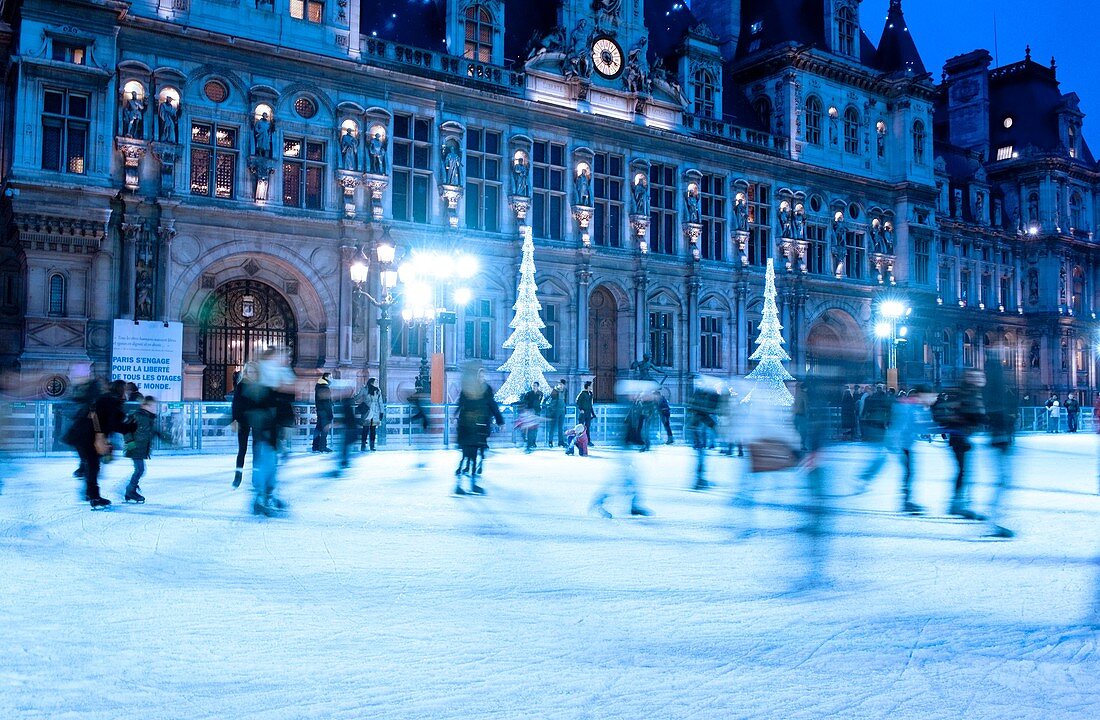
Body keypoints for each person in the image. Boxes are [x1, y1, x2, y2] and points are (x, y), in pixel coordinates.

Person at [591, 382, 654, 518]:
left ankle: (634, 505)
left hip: (626, 448)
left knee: (629, 478)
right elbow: (630, 429)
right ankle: (601, 500)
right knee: (623, 479)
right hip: (624, 449)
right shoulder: (630, 407)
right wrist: (640, 441)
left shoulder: (631, 406)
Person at [247, 347, 295, 516]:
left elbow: (289, 393)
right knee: (267, 461)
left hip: (272, 425)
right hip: (265, 425)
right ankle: (261, 497)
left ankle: (266, 495)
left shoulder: (276, 372)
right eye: (282, 356)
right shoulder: (266, 371)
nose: (286, 359)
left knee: (270, 461)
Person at [937, 370, 987, 519]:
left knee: (964, 470)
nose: (978, 379)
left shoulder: (970, 392)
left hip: (961, 436)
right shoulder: (964, 393)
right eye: (974, 377)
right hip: (958, 436)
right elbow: (966, 414)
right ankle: (957, 504)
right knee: (963, 470)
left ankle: (959, 503)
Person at [454, 363, 504, 494]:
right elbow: (461, 404)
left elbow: (492, 405)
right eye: (480, 375)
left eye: (483, 375)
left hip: (475, 427)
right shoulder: (478, 389)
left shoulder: (481, 389)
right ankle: (465, 484)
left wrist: (499, 420)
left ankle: (468, 484)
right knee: (467, 456)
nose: (482, 377)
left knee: (471, 456)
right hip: (470, 427)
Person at [888, 384, 936, 514]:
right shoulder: (910, 405)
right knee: (910, 472)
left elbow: (921, 426)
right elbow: (904, 425)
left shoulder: (915, 405)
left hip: (906, 443)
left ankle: (907, 501)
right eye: (929, 395)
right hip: (903, 444)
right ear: (922, 394)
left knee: (910, 472)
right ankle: (906, 501)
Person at [983, 360, 1018, 537]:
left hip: (1000, 439)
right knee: (1002, 481)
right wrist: (1004, 434)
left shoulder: (991, 390)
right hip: (1000, 440)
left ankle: (996, 521)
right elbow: (998, 416)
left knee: (1002, 481)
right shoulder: (996, 391)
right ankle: (996, 521)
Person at [122, 395, 170, 503]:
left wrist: (167, 439)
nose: (154, 408)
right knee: (140, 469)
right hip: (135, 447)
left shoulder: (149, 417)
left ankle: (131, 490)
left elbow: (156, 431)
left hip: (141, 447)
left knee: (140, 469)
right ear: (145, 405)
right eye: (152, 406)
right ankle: (130, 491)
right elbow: (126, 429)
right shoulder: (137, 415)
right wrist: (130, 442)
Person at [231, 362, 258, 488]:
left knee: (257, 450)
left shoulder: (259, 386)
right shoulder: (241, 385)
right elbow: (236, 404)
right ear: (246, 372)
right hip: (243, 421)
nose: (253, 374)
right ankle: (238, 477)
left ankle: (256, 478)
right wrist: (235, 420)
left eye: (255, 372)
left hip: (257, 421)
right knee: (242, 450)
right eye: (250, 371)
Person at [356, 377, 384, 451]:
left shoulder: (378, 390)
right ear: (371, 382)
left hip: (375, 412)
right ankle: (363, 445)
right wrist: (350, 400)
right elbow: (358, 396)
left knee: (373, 430)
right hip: (367, 411)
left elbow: (380, 401)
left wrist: (382, 411)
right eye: (375, 382)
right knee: (365, 429)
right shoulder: (365, 389)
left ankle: (372, 445)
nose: (377, 383)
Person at [312, 372, 333, 453]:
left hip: (320, 410)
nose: (332, 379)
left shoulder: (320, 386)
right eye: (331, 377)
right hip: (325, 412)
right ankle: (322, 446)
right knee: (325, 429)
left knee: (318, 428)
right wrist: (330, 414)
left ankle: (315, 446)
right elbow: (326, 402)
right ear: (327, 377)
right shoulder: (324, 387)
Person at [519, 381, 544, 452]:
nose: (534, 387)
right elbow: (524, 401)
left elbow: (539, 401)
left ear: (538, 386)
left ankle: (533, 442)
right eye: (533, 386)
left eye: (535, 386)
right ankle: (530, 442)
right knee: (530, 428)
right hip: (530, 412)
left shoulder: (540, 393)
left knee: (535, 428)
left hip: (537, 412)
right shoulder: (528, 393)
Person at [544, 379, 567, 447]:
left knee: (561, 427)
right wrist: (550, 408)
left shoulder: (565, 391)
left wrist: (564, 409)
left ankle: (561, 442)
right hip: (554, 411)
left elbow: (565, 400)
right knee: (552, 427)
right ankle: (550, 441)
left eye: (562, 384)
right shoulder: (554, 391)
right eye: (559, 384)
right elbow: (547, 400)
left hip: (562, 411)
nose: (560, 385)